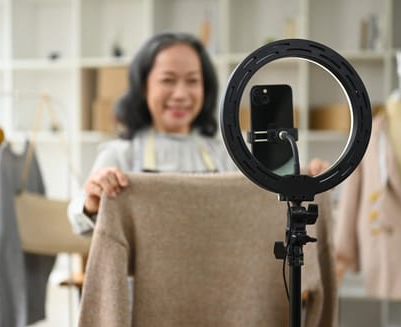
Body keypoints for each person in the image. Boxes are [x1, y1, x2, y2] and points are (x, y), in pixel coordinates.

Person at [68, 32, 327, 235]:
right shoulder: (121, 154)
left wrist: (305, 180)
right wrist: (92, 200)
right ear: (144, 87)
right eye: (168, 80)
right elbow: (79, 223)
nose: (181, 94)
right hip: (144, 296)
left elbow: (262, 205)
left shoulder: (226, 154)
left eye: (192, 81)